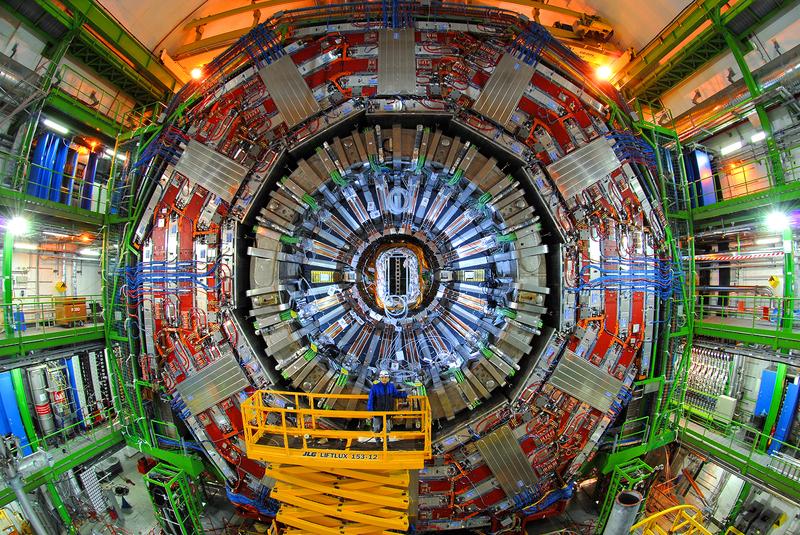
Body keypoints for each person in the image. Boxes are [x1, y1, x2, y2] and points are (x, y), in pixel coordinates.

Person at [367, 370, 407, 444]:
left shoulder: (391, 386)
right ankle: (377, 442)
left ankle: (386, 442)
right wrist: (370, 411)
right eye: (382, 377)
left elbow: (396, 394)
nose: (384, 379)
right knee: (376, 428)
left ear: (388, 378)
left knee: (387, 429)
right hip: (377, 412)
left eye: (385, 377)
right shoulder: (375, 387)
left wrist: (405, 394)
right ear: (380, 378)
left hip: (387, 412)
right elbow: (371, 399)